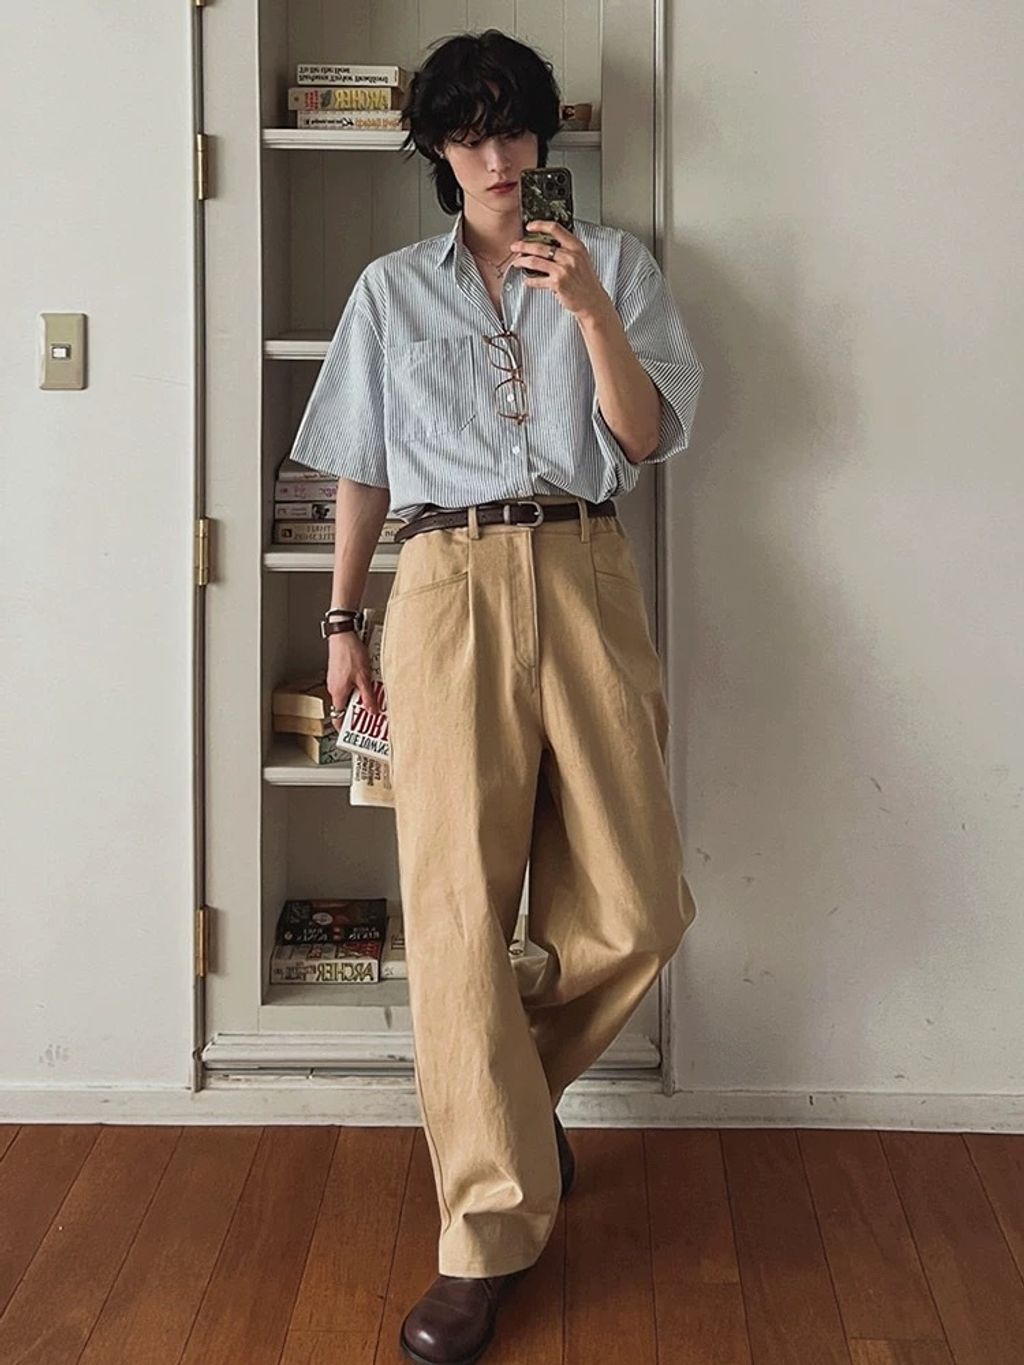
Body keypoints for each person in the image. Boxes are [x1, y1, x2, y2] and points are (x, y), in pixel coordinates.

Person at [288, 28, 705, 1365]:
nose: (498, 153)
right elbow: (360, 464)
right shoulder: (388, 290)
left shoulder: (617, 265)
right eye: (470, 131)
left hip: (584, 569)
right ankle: (480, 1237)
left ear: (545, 136)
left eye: (515, 126)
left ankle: (507, 1100)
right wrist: (342, 620)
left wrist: (586, 310)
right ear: (436, 148)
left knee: (639, 903)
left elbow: (644, 437)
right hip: (443, 583)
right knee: (459, 910)